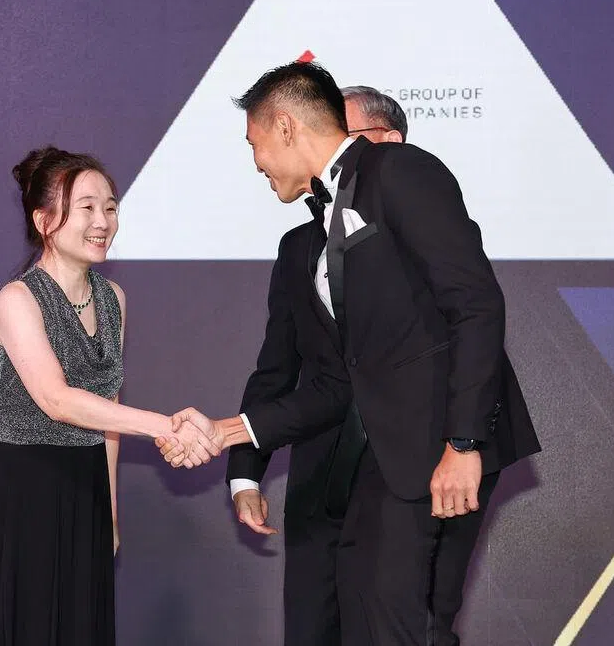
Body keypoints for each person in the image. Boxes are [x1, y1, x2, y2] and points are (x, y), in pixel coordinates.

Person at [163, 61, 540, 645]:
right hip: (378, 469)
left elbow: (476, 305)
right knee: (363, 622)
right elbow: (341, 379)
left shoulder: (400, 170)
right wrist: (228, 432)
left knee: (401, 625)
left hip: (434, 449)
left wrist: (463, 443)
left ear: (285, 126)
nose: (256, 161)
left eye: (254, 142)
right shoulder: (320, 223)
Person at [0, 146, 218, 646]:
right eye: (86, 207)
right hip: (15, 486)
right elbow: (57, 400)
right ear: (45, 220)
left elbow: (106, 412)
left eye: (110, 207)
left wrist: (108, 510)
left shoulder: (113, 299)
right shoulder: (17, 298)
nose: (103, 222)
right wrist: (165, 426)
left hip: (83, 483)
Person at [223, 86, 411, 646]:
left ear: (387, 144)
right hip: (318, 484)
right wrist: (245, 472)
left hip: (403, 479)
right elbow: (275, 369)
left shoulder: (421, 233)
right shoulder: (297, 248)